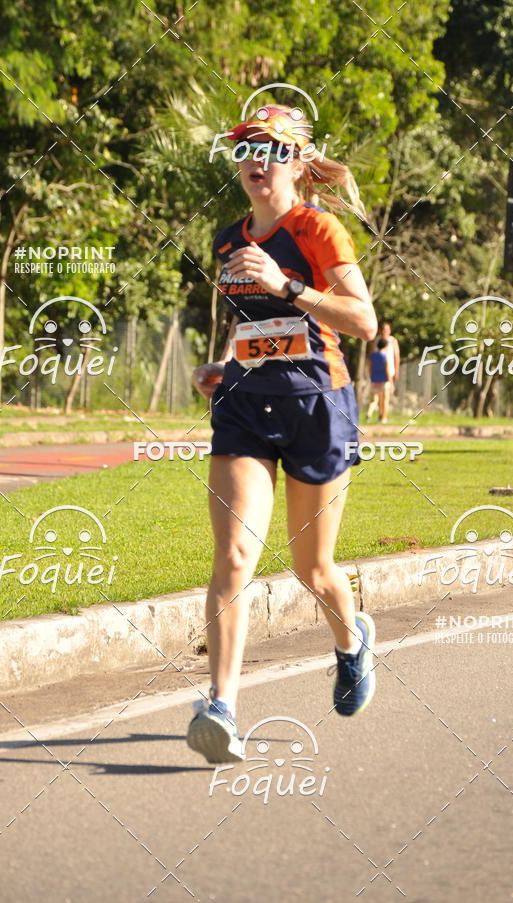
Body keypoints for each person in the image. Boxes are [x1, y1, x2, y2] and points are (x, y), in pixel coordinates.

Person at [186, 105, 378, 764]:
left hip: (318, 407)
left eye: (270, 149)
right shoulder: (225, 240)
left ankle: (351, 642)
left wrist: (288, 283)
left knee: (311, 568)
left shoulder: (316, 229)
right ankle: (220, 707)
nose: (255, 160)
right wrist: (225, 363)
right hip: (245, 405)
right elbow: (252, 328)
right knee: (235, 556)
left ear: (296, 161)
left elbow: (364, 321)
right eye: (245, 149)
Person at [366, 337, 393, 423]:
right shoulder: (385, 356)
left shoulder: (372, 356)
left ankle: (369, 412)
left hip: (374, 380)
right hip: (383, 381)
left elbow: (370, 368)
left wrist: (371, 378)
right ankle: (383, 418)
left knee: (374, 400)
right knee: (384, 400)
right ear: (385, 346)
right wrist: (391, 381)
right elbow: (387, 370)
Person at [378, 321, 400, 388]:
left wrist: (396, 371)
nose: (385, 331)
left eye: (387, 329)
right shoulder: (377, 340)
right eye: (384, 329)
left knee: (387, 391)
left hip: (390, 371)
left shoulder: (393, 341)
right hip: (378, 371)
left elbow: (396, 356)